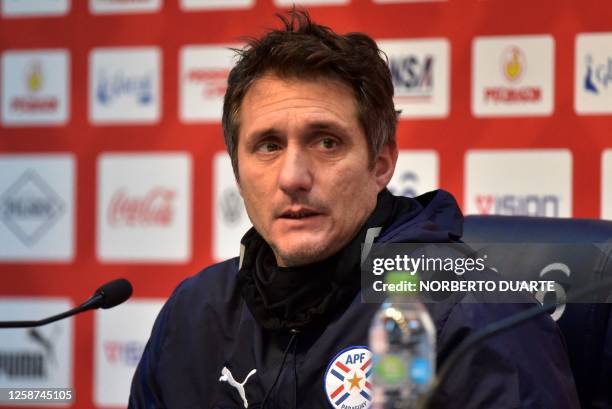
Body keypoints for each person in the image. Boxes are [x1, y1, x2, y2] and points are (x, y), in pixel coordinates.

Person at [129, 10, 580, 409]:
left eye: (326, 142)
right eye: (267, 146)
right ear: (237, 169)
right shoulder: (193, 315)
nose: (293, 176)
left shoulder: (469, 314)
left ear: (381, 163)